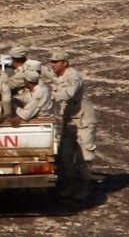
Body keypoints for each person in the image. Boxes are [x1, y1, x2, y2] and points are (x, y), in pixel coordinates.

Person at [50, 51, 97, 201]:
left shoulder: (73, 76)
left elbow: (68, 94)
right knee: (65, 155)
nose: (53, 64)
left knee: (84, 156)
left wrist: (48, 96)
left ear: (65, 63)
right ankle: (71, 185)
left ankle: (84, 188)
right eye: (52, 61)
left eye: (56, 62)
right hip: (69, 120)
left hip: (83, 121)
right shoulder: (58, 76)